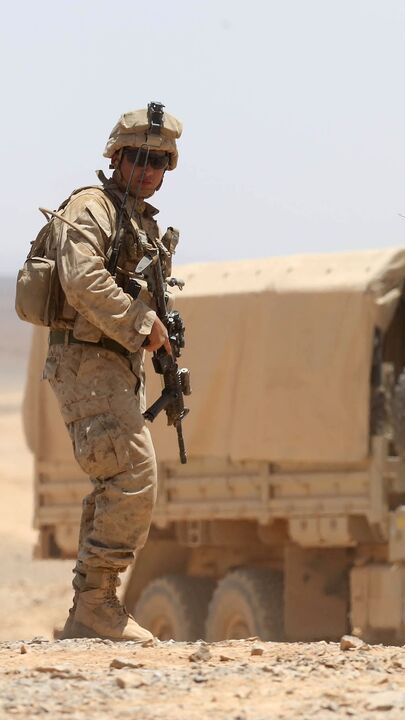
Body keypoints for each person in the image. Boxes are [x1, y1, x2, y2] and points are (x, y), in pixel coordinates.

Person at [41, 104, 183, 641]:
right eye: (140, 158)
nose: (149, 170)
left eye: (160, 162)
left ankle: (91, 609)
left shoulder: (138, 221)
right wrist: (141, 321)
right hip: (87, 362)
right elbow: (81, 280)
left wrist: (160, 340)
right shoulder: (93, 207)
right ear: (118, 157)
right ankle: (97, 604)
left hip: (113, 365)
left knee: (116, 478)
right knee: (132, 476)